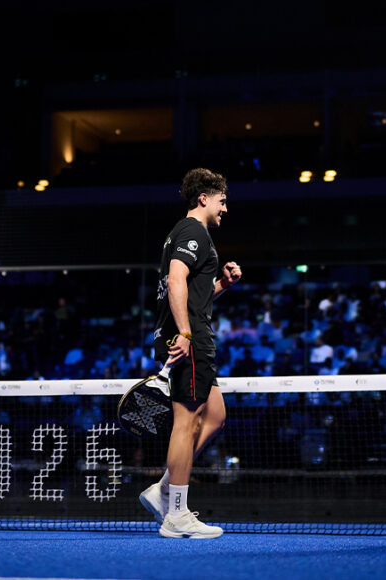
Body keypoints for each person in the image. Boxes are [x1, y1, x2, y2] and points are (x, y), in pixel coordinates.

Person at [138, 168, 242, 539]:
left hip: (190, 332)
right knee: (186, 422)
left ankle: (164, 489)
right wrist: (183, 332)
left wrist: (222, 285)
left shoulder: (185, 235)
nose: (225, 209)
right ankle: (176, 514)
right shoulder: (192, 231)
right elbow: (177, 281)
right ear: (204, 198)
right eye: (222, 201)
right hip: (189, 339)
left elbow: (193, 294)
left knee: (215, 414)